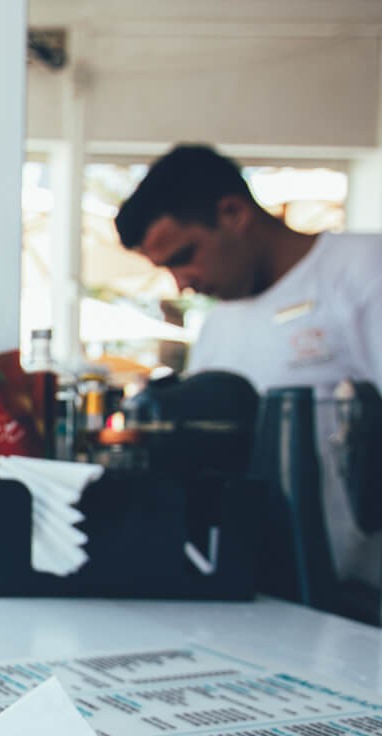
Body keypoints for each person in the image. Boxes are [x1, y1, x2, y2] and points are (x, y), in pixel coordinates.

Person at [115, 144, 382, 603]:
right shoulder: (218, 323)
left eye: (183, 256)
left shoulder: (362, 270)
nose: (180, 282)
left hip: (360, 593)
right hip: (254, 588)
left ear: (234, 214)